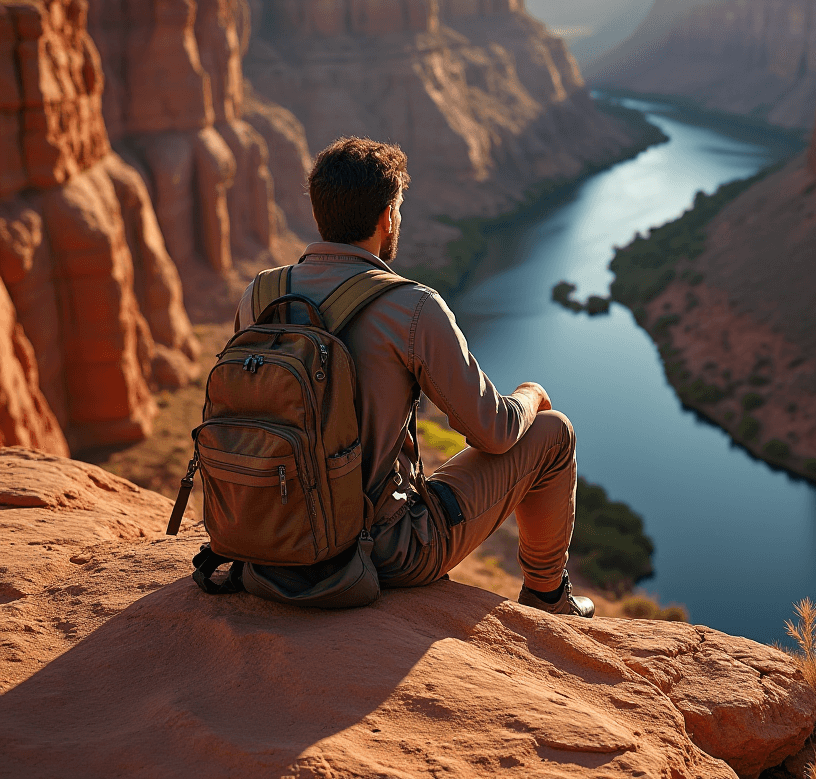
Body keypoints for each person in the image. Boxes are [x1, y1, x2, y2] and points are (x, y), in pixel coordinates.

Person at [233, 136, 595, 617]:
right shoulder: (410, 307)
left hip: (263, 533)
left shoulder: (260, 294)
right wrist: (530, 395)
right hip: (383, 551)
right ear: (387, 218)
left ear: (321, 213)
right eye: (398, 210)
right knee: (555, 434)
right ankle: (549, 599)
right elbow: (495, 431)